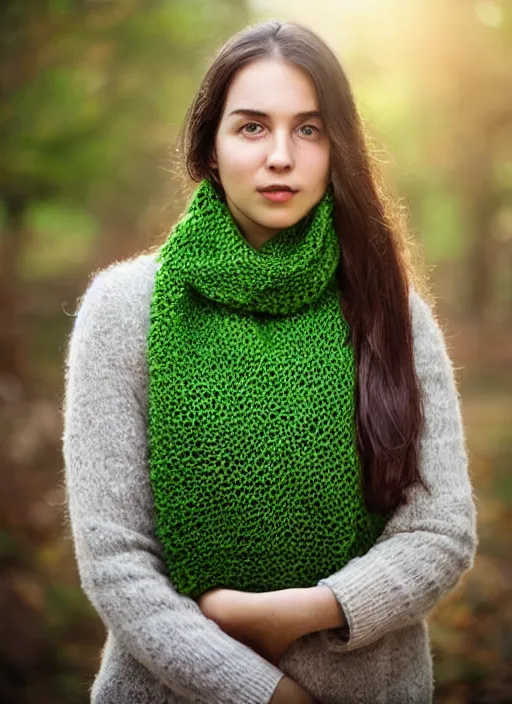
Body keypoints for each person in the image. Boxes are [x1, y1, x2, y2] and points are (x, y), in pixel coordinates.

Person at [62, 19, 477, 704]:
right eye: (252, 127)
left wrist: (298, 613)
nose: (280, 155)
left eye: (309, 130)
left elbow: (440, 531)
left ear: (337, 148)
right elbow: (115, 561)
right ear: (210, 148)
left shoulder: (389, 310)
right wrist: (266, 693)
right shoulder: (123, 309)